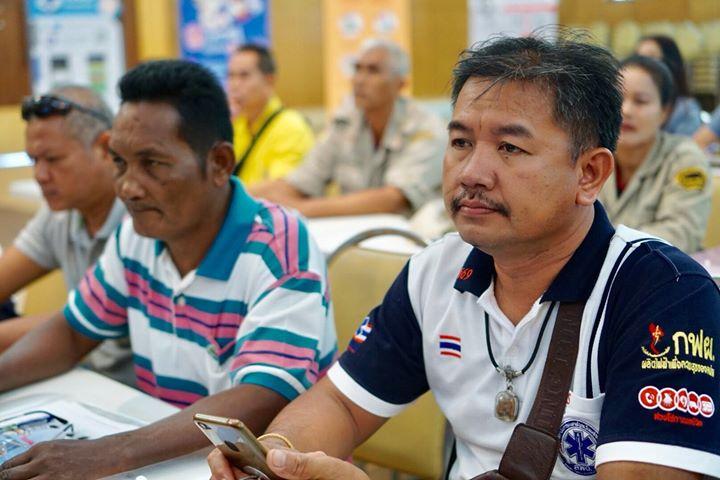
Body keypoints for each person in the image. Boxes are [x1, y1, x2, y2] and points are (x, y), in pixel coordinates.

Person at [209, 35, 720, 480]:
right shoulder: (436, 270)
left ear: (588, 174)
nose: (471, 172)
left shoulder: (666, 295)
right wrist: (277, 459)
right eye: (460, 141)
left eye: (510, 148)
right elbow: (340, 403)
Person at [0, 60, 336, 479]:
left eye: (153, 164)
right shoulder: (137, 237)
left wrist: (109, 453)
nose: (128, 187)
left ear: (219, 163)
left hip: (264, 470)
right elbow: (72, 332)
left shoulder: (279, 244)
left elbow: (262, 394)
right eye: (120, 163)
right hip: (167, 455)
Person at [0, 86, 132, 379]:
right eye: (33, 160)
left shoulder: (141, 218)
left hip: (137, 395)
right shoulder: (61, 214)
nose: (39, 175)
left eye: (53, 159)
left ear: (105, 148)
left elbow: (75, 326)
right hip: (85, 381)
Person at [249, 39, 445, 217]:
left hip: (412, 235)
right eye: (357, 69)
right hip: (354, 232)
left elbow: (394, 199)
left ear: (401, 84)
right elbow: (301, 181)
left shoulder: (426, 128)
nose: (359, 80)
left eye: (373, 71)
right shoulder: (346, 121)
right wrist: (239, 194)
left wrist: (302, 209)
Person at [599, 55, 711, 253]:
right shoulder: (592, 154)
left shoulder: (685, 159)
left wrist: (602, 247)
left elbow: (681, 234)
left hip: (661, 269)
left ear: (665, 112)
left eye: (640, 101)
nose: (626, 110)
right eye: (618, 99)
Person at [227, 44, 314, 185]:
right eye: (230, 76)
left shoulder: (290, 127)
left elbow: (279, 189)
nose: (234, 85)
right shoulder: (235, 123)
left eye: (244, 76)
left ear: (269, 80)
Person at [635, 35, 702, 136]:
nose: (641, 66)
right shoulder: (625, 104)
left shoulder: (686, 110)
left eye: (650, 58)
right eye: (638, 58)